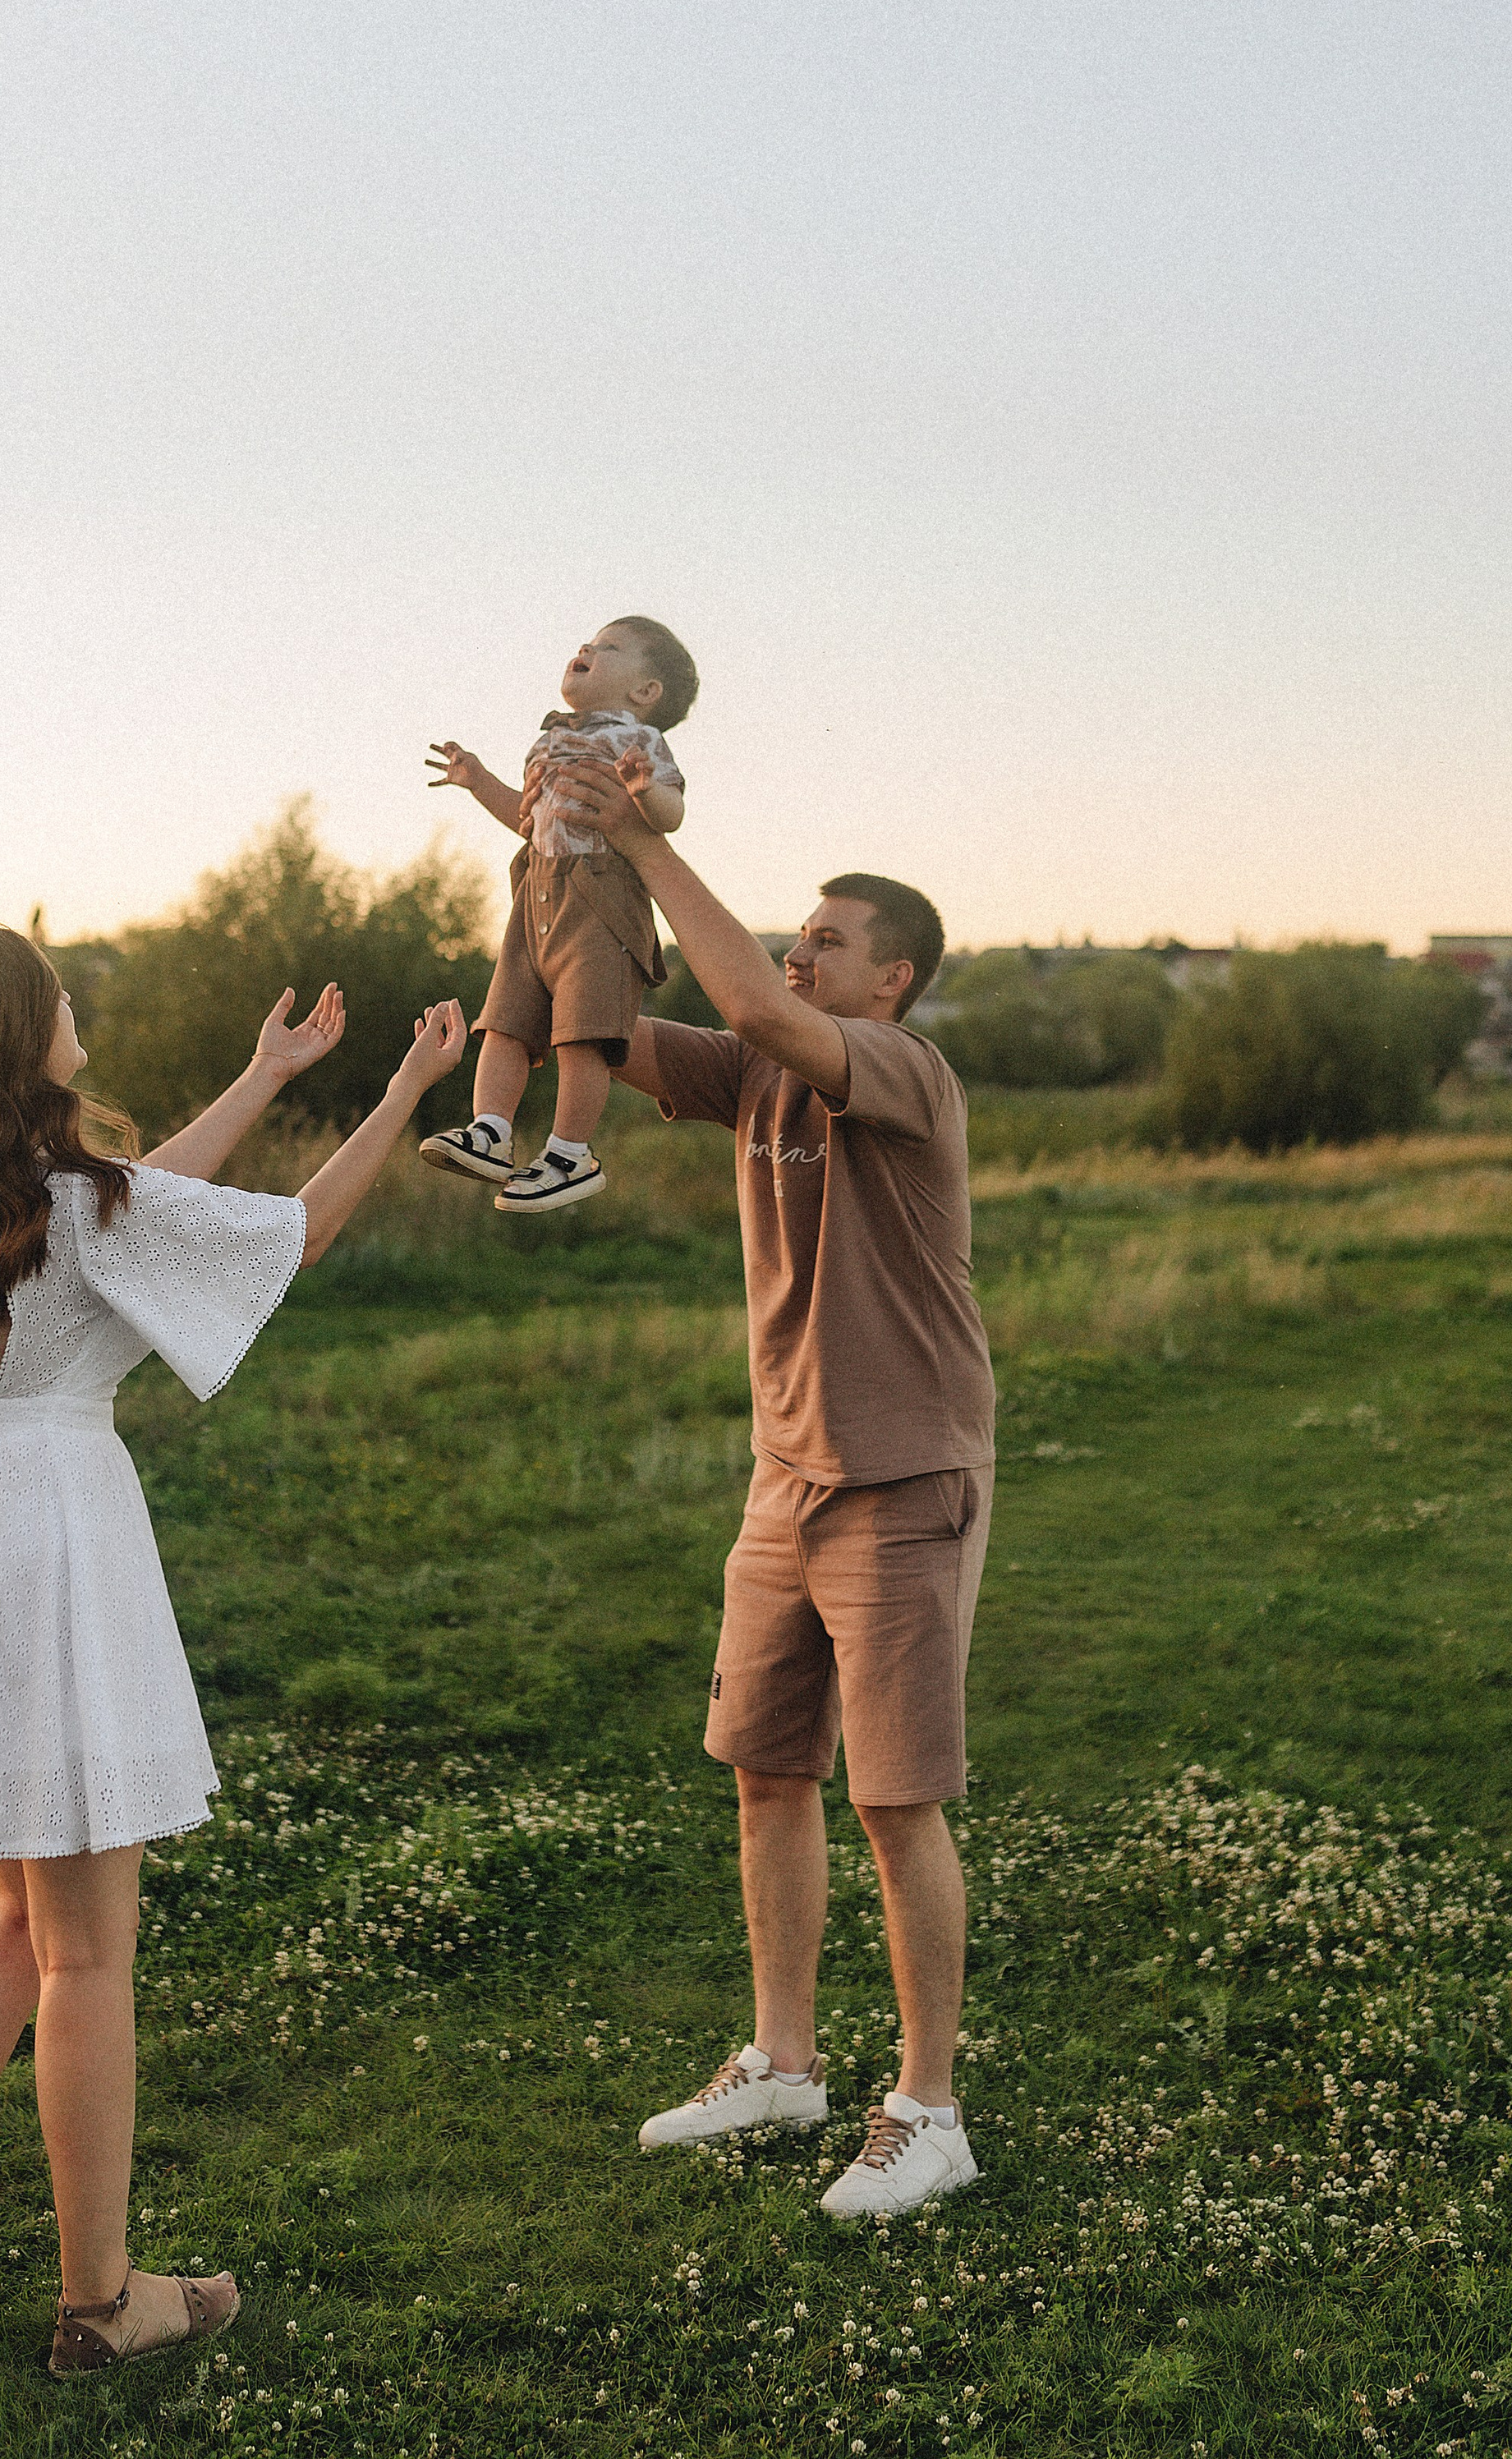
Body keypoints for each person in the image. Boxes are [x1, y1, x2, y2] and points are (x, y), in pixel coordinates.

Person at [0, 926, 466, 2374]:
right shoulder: (70, 1203)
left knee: (22, 1918)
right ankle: (104, 2297)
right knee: (89, 1945)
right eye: (51, 987)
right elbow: (282, 1231)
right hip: (41, 1536)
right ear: (9, 1033)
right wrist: (404, 1087)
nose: (72, 999)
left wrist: (259, 1072)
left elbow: (132, 1206)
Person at [566, 754, 995, 2222]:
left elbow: (753, 998)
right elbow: (598, 1023)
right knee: (766, 1768)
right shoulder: (752, 1071)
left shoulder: (903, 1072)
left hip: (902, 1471)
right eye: (800, 931)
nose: (801, 948)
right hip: (785, 1476)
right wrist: (562, 855)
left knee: (897, 1799)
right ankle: (785, 2060)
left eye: (830, 939)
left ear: (894, 979)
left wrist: (644, 831)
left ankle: (928, 2109)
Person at [421, 614, 697, 1214]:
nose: (586, 648)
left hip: (601, 895)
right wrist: (478, 780)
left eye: (609, 647)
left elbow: (670, 814)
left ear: (645, 692)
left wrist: (646, 790)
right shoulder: (546, 740)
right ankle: (490, 1131)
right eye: (588, 642)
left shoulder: (639, 742)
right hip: (536, 892)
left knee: (583, 1033)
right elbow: (525, 816)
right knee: (505, 1023)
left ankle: (570, 1152)